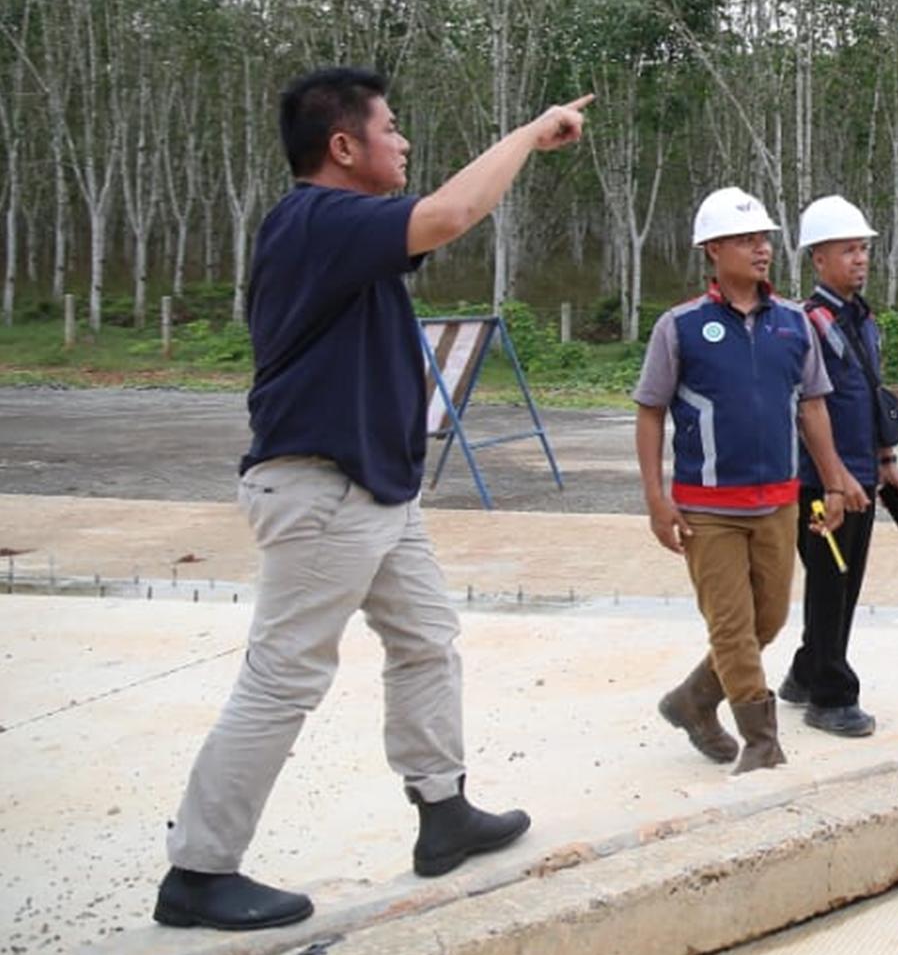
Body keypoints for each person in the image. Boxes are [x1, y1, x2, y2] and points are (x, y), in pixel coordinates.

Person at [156, 69, 590, 933]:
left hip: (374, 493)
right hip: (321, 489)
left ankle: (444, 810)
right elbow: (449, 215)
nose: (403, 143)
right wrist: (528, 135)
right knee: (283, 679)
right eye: (391, 129)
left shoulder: (343, 234)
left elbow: (427, 225)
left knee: (427, 640)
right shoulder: (316, 220)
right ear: (343, 147)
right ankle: (199, 871)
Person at [635, 187, 863, 775]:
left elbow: (812, 407)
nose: (761, 250)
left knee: (769, 620)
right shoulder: (680, 326)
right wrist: (656, 500)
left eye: (765, 240)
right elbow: (651, 410)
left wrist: (834, 483)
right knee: (733, 628)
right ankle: (761, 743)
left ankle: (691, 701)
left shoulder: (792, 323)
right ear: (712, 250)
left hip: (781, 503)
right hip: (707, 508)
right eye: (746, 240)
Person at [778, 196, 898, 739]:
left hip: (861, 474)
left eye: (863, 249)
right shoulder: (804, 324)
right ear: (818, 259)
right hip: (822, 484)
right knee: (830, 583)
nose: (860, 259)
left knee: (845, 582)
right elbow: (805, 408)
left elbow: (866, 393)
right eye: (848, 250)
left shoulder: (862, 318)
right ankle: (831, 696)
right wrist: (836, 477)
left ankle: (806, 674)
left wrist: (886, 461)